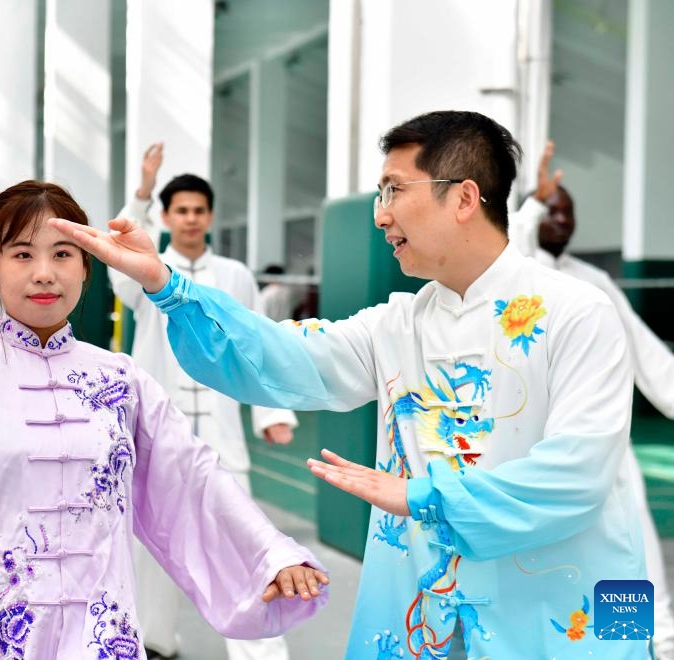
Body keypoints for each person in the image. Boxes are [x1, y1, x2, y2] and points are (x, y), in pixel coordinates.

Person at [53, 110, 649, 658]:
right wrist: (166, 285)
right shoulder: (399, 324)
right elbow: (280, 356)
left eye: (394, 190)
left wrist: (421, 498)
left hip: (563, 614)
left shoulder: (577, 313)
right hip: (435, 618)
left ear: (464, 198)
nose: (381, 214)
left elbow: (577, 474)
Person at [0, 88, 329, 658]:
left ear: (86, 267)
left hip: (95, 638)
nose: (44, 273)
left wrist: (268, 555)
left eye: (62, 254)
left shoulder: (120, 382)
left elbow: (191, 476)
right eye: (22, 254)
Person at [112, 143, 299, 660]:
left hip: (221, 431)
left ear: (210, 216)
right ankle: (153, 641)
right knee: (152, 543)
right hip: (157, 431)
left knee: (241, 542)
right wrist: (143, 190)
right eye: (181, 210)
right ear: (167, 217)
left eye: (199, 210)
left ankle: (260, 651)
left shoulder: (236, 275)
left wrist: (271, 412)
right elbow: (116, 259)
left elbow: (258, 344)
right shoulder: (143, 269)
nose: (191, 218)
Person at [510, 141, 674, 660]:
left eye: (567, 212)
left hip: (604, 446)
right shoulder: (516, 272)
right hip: (533, 448)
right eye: (551, 210)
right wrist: (534, 202)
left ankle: (647, 641)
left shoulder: (594, 281)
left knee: (629, 544)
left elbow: (650, 358)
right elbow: (513, 245)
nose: (560, 220)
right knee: (541, 562)